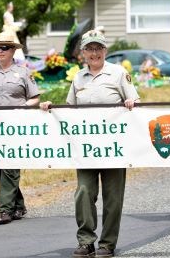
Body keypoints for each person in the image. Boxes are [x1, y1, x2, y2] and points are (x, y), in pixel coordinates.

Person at [40, 30, 139, 258]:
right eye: (89, 49)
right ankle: (86, 241)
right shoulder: (78, 78)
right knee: (83, 192)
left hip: (114, 148)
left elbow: (137, 104)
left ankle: (107, 244)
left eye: (98, 48)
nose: (94, 53)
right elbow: (68, 111)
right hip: (85, 149)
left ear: (105, 51)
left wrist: (131, 103)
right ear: (82, 53)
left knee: (113, 197)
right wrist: (49, 108)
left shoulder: (118, 73)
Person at [0, 31, 40, 224]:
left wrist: (21, 107)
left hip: (16, 127)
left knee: (10, 168)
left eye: (5, 47)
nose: (0, 51)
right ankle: (18, 206)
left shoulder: (23, 72)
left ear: (13, 50)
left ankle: (5, 210)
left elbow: (35, 98)